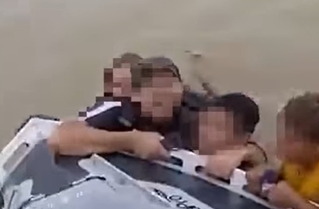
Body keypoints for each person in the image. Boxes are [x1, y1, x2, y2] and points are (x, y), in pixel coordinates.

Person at [49, 56, 189, 161]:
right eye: (151, 86)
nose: (161, 93)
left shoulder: (195, 108)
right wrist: (131, 141)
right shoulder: (120, 108)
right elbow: (59, 138)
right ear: (134, 94)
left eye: (169, 85)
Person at [197, 92, 269, 179]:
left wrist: (247, 152)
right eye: (204, 122)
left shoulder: (250, 175)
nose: (204, 132)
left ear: (244, 138)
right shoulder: (187, 151)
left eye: (218, 128)